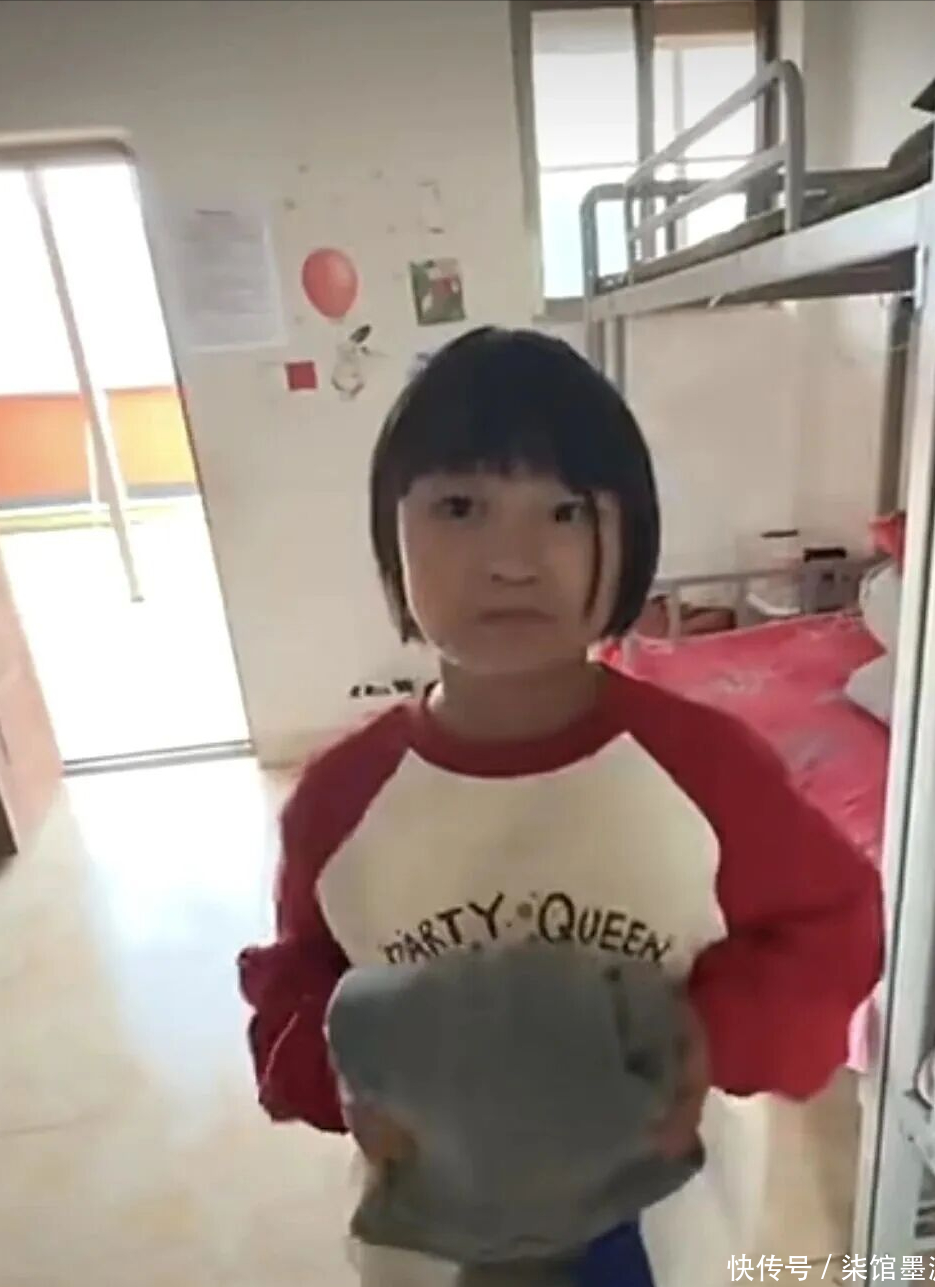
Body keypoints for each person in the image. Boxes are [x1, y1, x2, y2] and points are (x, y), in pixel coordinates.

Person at [238, 327, 883, 1287]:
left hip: (661, 1236)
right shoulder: (338, 804)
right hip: (431, 1245)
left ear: (631, 536)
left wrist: (702, 1039)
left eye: (566, 511)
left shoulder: (707, 770)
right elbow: (293, 986)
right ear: (391, 541)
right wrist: (341, 1077)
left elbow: (835, 930)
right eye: (461, 506)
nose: (514, 558)